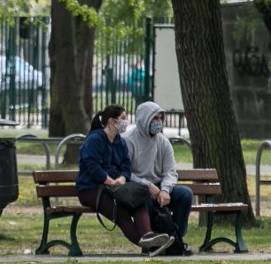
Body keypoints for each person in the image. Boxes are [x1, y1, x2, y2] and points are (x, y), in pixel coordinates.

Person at [75, 104, 174, 256]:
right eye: (123, 118)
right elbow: (91, 165)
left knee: (136, 202)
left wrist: (122, 178)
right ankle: (150, 247)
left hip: (113, 187)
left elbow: (125, 165)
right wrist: (107, 179)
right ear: (111, 122)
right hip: (91, 190)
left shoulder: (119, 142)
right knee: (121, 214)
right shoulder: (95, 139)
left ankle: (148, 236)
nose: (125, 122)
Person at [123, 101, 193, 245]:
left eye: (160, 118)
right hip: (137, 187)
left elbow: (170, 171)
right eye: (155, 118)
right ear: (144, 119)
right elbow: (126, 173)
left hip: (160, 187)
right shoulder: (128, 141)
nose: (158, 122)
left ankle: (176, 239)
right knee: (144, 199)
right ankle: (151, 241)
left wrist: (165, 190)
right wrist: (148, 186)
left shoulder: (163, 142)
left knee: (185, 194)